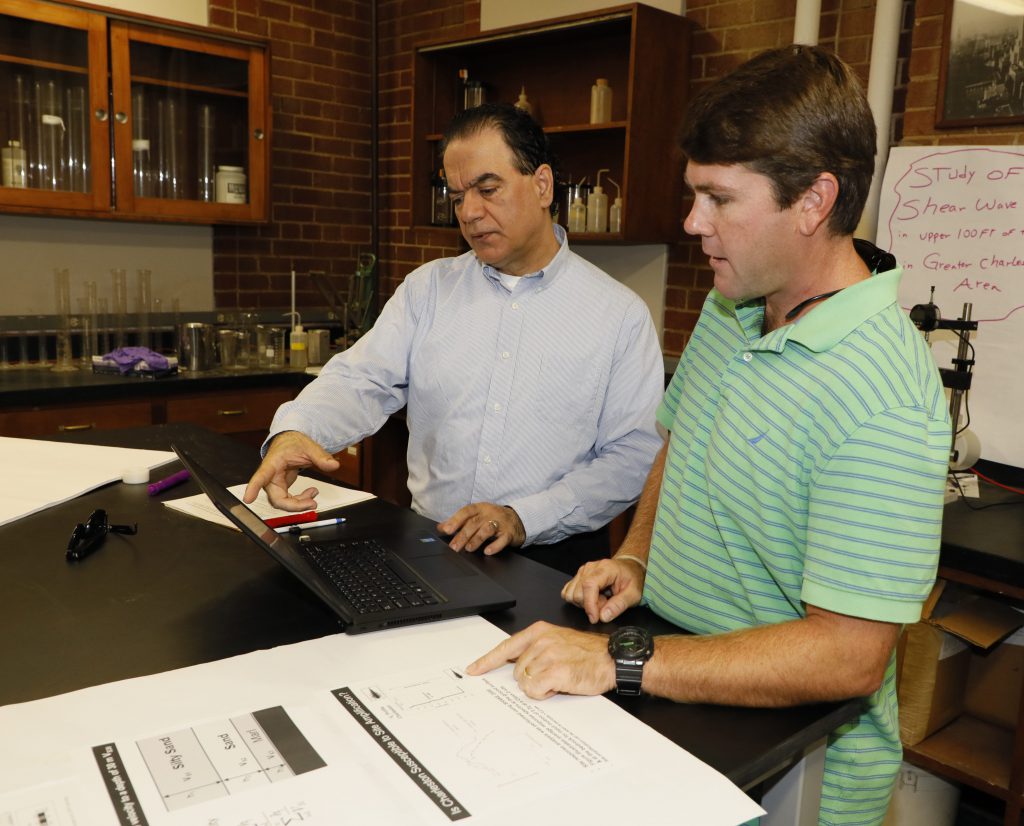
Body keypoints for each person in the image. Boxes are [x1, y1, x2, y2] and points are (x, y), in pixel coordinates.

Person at [466, 45, 951, 825]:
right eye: (694, 195)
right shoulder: (737, 303)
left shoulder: (885, 394)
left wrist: (622, 659)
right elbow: (679, 442)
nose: (694, 223)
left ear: (814, 201)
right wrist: (637, 555)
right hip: (679, 695)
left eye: (719, 198)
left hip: (793, 765)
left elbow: (849, 656)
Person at [244, 103, 664, 575]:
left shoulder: (618, 314)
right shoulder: (429, 290)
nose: (470, 212)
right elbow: (361, 379)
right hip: (430, 548)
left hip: (552, 565)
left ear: (542, 185)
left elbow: (633, 455)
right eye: (458, 195)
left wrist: (524, 517)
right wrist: (298, 429)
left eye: (487, 189)